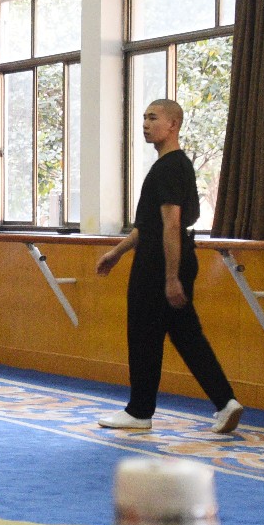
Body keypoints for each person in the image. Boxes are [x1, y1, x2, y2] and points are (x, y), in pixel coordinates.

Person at [95, 99, 243, 435]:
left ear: (173, 124)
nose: (145, 124)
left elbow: (171, 224)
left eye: (153, 118)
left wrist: (171, 276)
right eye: (144, 118)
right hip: (166, 254)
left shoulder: (169, 167)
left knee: (143, 335)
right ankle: (225, 401)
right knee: (187, 335)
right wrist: (117, 252)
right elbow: (149, 225)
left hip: (158, 261)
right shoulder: (174, 165)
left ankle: (139, 411)